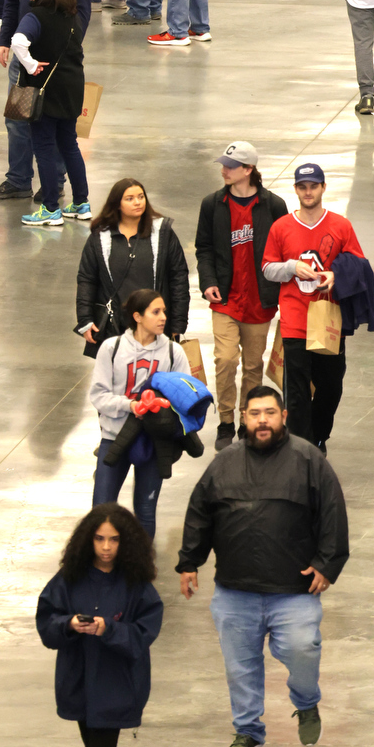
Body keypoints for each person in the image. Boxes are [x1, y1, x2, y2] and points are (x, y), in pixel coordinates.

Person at [178, 386, 350, 747]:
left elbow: (332, 511)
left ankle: (306, 701)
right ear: (243, 417)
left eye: (270, 413)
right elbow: (200, 512)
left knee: (302, 649)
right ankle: (248, 732)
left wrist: (327, 564)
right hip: (235, 591)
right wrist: (189, 562)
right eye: (254, 413)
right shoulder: (224, 462)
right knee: (240, 668)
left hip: (294, 589)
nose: (262, 421)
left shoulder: (308, 459)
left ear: (283, 416)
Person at [36, 505, 163, 747]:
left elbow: (144, 633)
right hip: (78, 681)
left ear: (127, 543)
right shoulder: (69, 579)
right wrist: (68, 625)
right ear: (87, 540)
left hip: (117, 683)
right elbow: (47, 622)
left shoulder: (137, 586)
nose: (106, 547)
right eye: (99, 538)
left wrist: (110, 629)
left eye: (114, 540)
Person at [260, 160, 374, 449]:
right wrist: (291, 267)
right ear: (296, 189)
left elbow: (359, 265)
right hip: (295, 322)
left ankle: (319, 436)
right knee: (296, 392)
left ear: (323, 187)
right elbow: (267, 269)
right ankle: (300, 447)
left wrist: (336, 275)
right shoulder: (281, 227)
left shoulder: (341, 225)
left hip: (328, 322)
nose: (308, 192)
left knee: (330, 386)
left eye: (313, 186)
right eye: (302, 186)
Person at [193, 146, 287, 446]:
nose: (224, 170)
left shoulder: (273, 206)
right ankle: (224, 421)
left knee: (252, 365)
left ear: (248, 169)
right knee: (225, 359)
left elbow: (284, 250)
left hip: (259, 301)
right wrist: (208, 281)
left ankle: (248, 420)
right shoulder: (213, 204)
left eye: (231, 166)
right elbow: (204, 248)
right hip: (225, 299)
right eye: (224, 165)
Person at [88, 285, 192, 532]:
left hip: (153, 441)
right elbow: (98, 396)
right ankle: (98, 567)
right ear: (137, 317)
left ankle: (141, 569)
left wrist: (164, 408)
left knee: (145, 512)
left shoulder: (173, 352)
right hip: (114, 438)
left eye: (164, 311)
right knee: (101, 510)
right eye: (156, 312)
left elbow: (186, 397)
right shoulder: (111, 349)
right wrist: (130, 406)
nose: (164, 317)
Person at [10, 0, 90, 228]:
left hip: (44, 92)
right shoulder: (72, 17)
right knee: (69, 144)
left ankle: (50, 208)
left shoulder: (35, 17)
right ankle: (81, 202)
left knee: (43, 147)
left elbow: (18, 42)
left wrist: (32, 66)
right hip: (72, 89)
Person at [76, 176, 190, 356]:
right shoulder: (100, 238)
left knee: (155, 382)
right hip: (115, 328)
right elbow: (87, 279)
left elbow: (179, 278)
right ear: (117, 204)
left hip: (155, 328)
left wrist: (178, 322)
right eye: (130, 199)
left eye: (141, 197)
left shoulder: (163, 233)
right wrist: (85, 320)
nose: (137, 202)